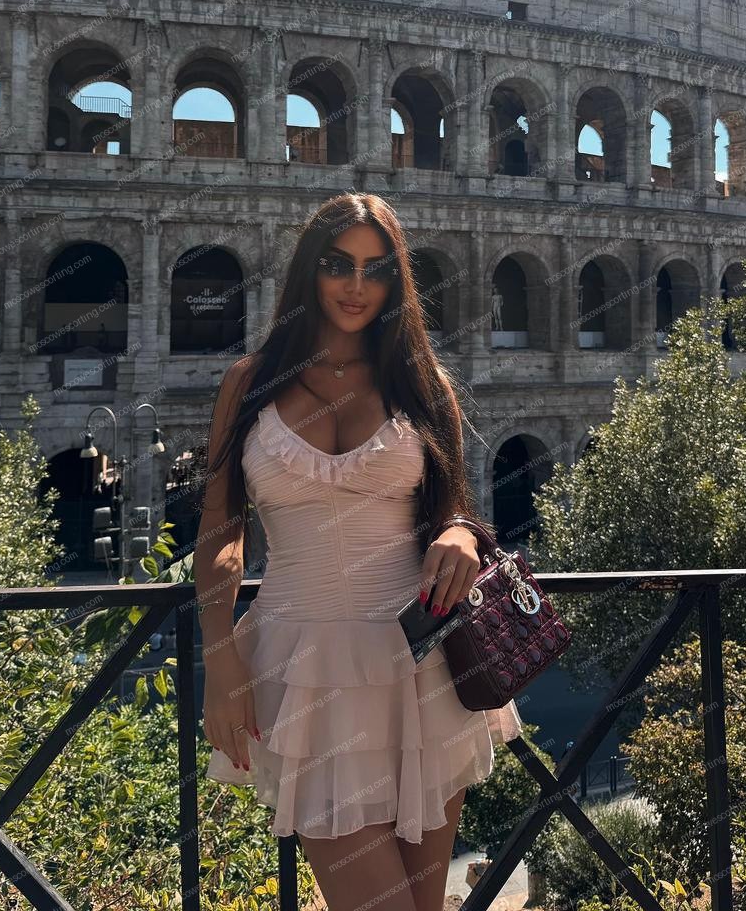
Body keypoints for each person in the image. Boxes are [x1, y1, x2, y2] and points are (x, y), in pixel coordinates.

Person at [196, 192, 522, 911]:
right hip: (304, 669)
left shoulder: (424, 383)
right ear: (309, 270)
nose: (355, 285)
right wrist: (220, 659)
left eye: (376, 270)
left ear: (396, 282)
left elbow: (456, 510)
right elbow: (220, 535)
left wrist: (461, 534)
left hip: (423, 665)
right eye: (338, 265)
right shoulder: (248, 384)